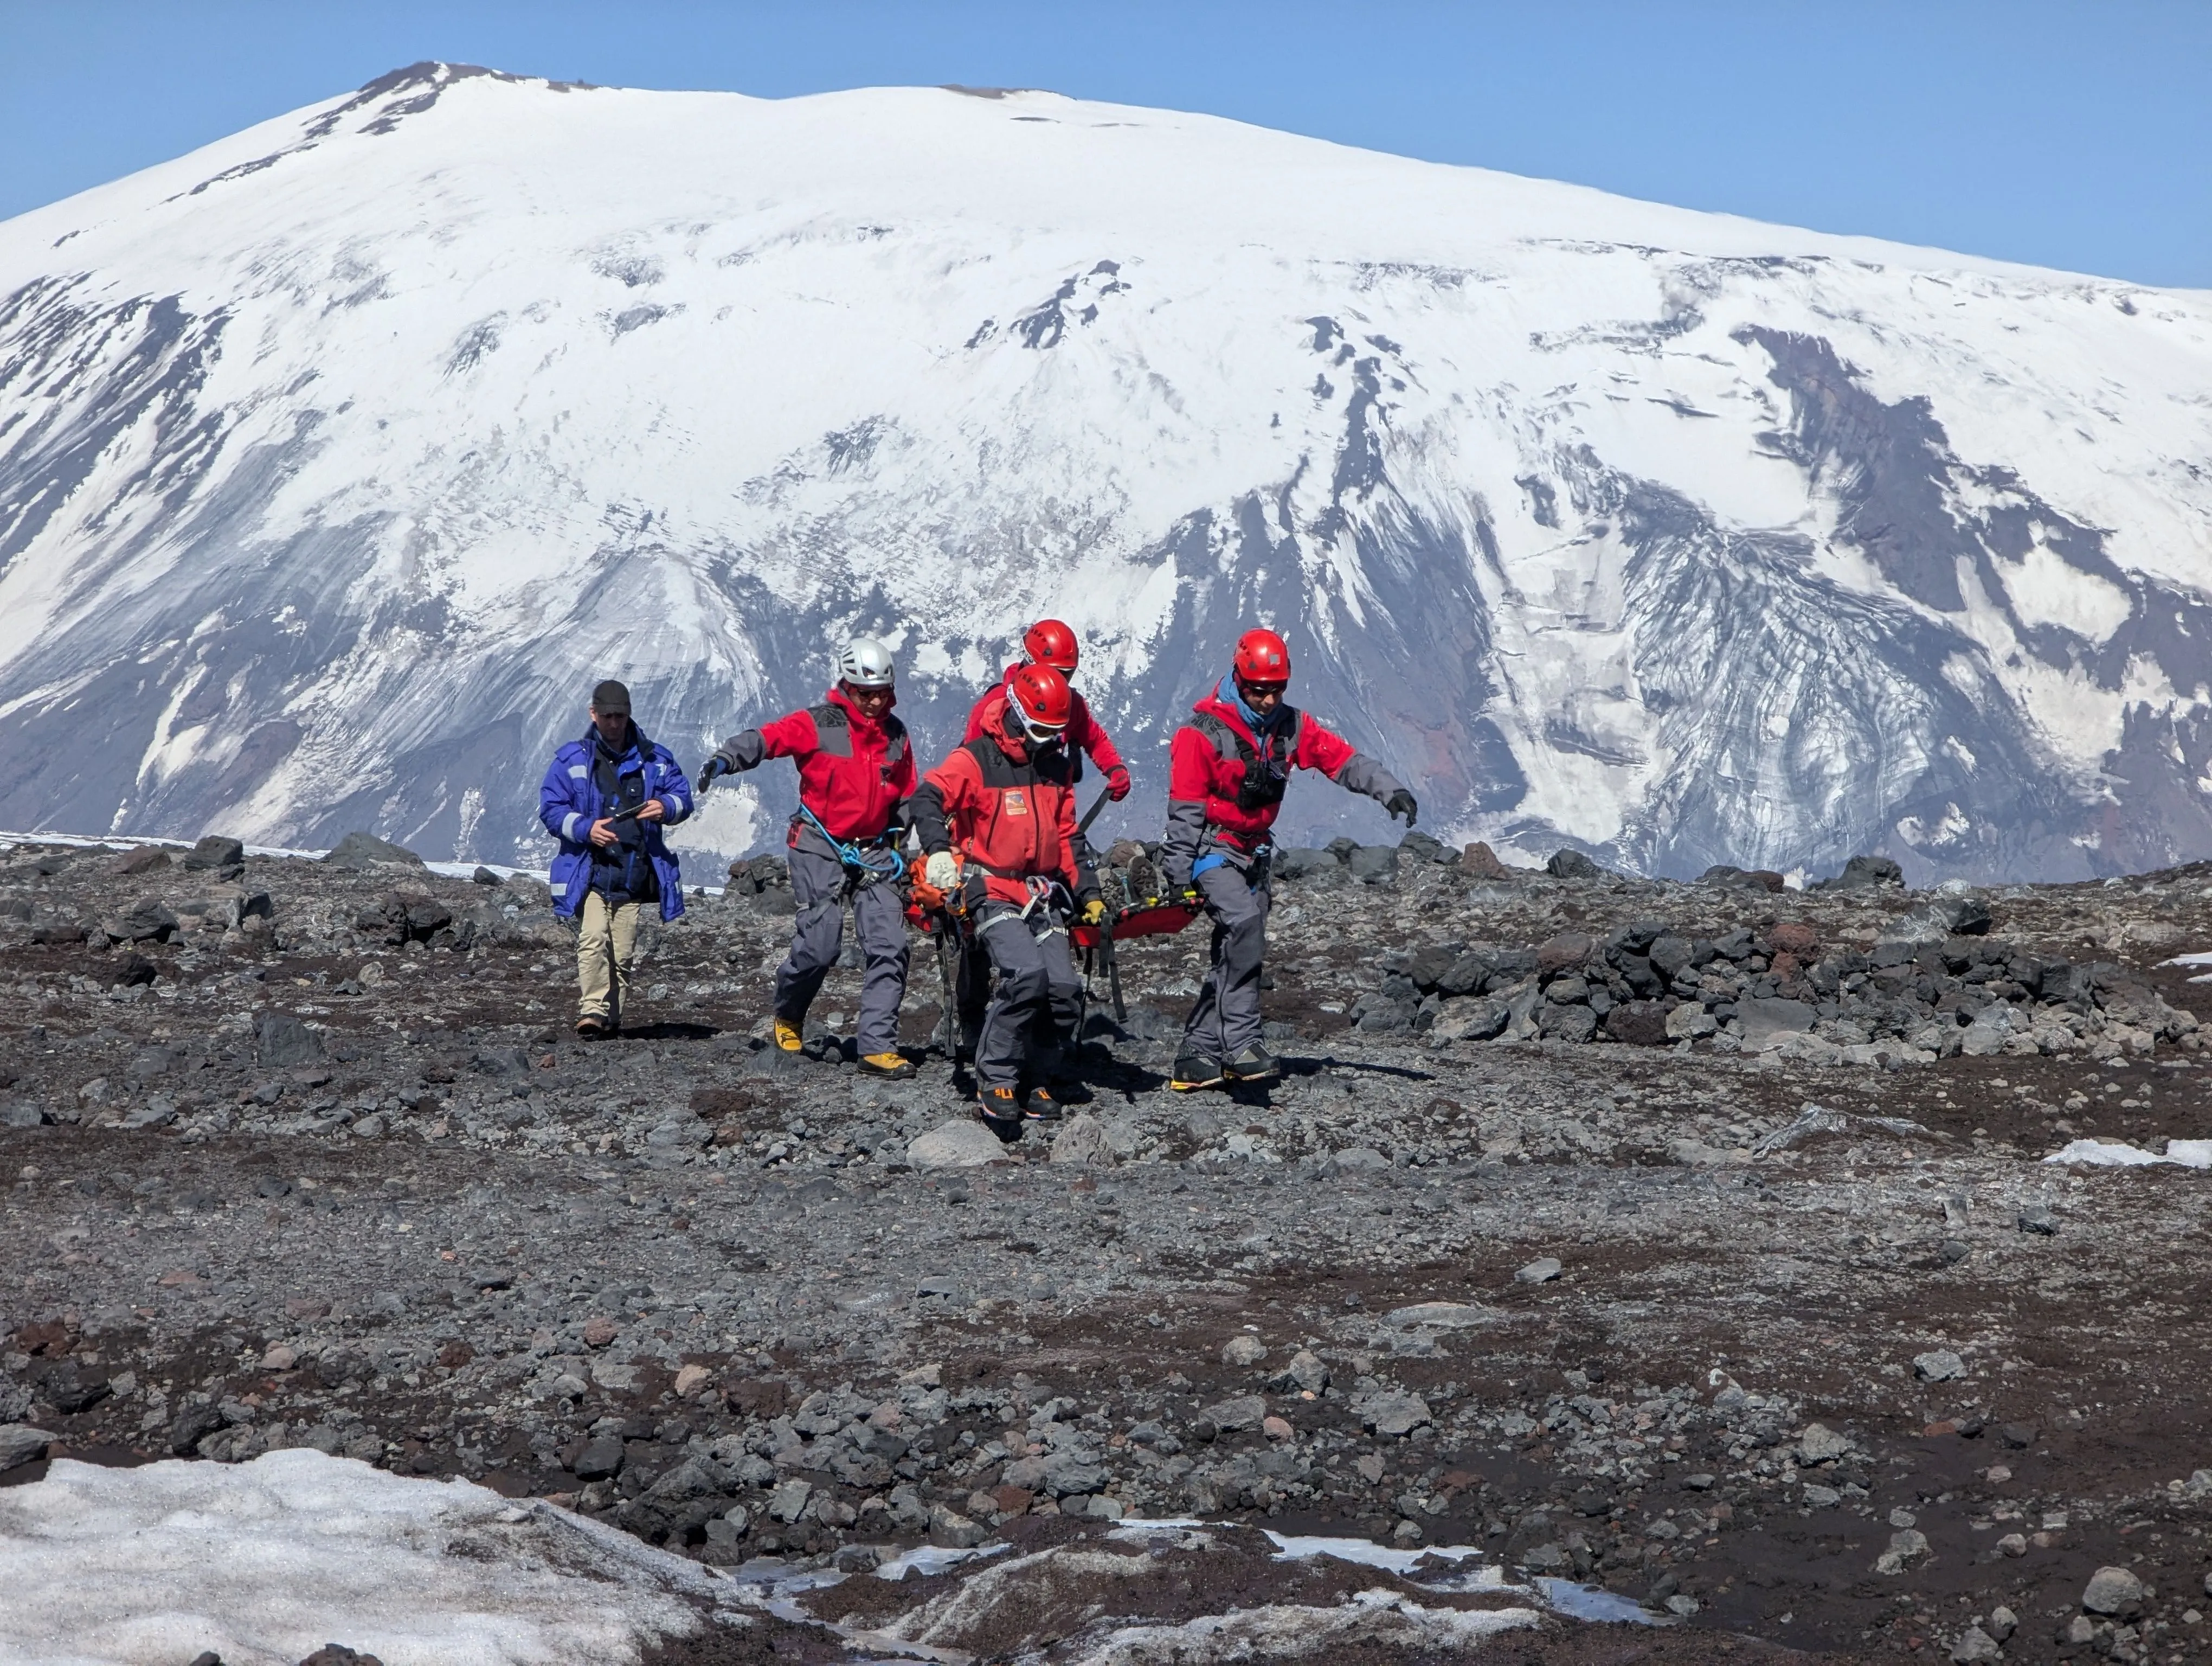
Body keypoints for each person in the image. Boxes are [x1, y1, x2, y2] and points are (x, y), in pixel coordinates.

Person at [1161, 629, 1417, 1091]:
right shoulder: (1200, 735)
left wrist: (1389, 788)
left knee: (1237, 949)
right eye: (1259, 690)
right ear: (1240, 680)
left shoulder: (1290, 727)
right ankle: (1241, 1045)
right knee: (1243, 927)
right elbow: (1184, 809)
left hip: (1255, 852)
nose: (1267, 699)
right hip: (1211, 851)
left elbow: (1339, 760)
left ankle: (1197, 1054)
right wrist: (1178, 876)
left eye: (1276, 689)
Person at [698, 638, 917, 1079]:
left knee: (890, 944)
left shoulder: (896, 736)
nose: (875, 702)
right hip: (819, 843)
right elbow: (768, 739)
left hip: (875, 848)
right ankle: (788, 1014)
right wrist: (726, 758)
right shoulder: (819, 724)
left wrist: (903, 842)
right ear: (847, 686)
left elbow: (906, 792)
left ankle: (877, 1046)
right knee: (822, 942)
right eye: (865, 693)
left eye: (882, 693)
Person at [912, 663, 1105, 1137]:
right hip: (991, 888)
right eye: (1040, 731)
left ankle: (1037, 1078)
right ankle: (996, 1076)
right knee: (1026, 978)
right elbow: (927, 798)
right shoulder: (976, 759)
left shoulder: (1056, 765)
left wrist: (1091, 895)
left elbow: (1067, 837)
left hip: (1042, 893)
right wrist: (938, 849)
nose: (1047, 741)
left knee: (1062, 988)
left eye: (1055, 733)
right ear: (1017, 714)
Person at [538, 679, 695, 1037]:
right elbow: (550, 809)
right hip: (590, 869)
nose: (613, 723)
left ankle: (611, 1018)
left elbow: (683, 797)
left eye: (619, 717)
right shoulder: (572, 760)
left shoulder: (656, 759)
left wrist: (666, 806)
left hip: (634, 872)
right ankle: (591, 1011)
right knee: (593, 937)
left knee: (622, 954)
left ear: (628, 716)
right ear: (593, 714)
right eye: (607, 716)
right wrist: (585, 829)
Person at [963, 619, 1132, 804]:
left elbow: (1094, 739)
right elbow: (970, 760)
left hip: (1048, 806)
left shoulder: (1071, 704)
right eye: (1057, 673)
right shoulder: (996, 704)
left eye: (1067, 674)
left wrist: (1115, 768)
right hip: (999, 807)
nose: (1061, 682)